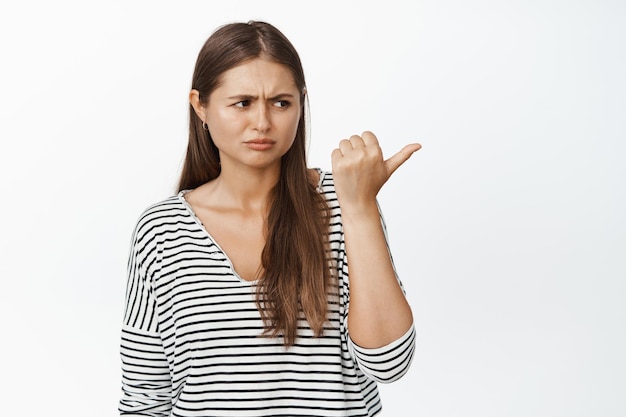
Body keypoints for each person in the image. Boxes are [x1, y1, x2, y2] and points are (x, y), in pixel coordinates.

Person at [119, 20, 421, 417]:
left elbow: (388, 363)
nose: (262, 122)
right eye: (242, 102)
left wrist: (360, 208)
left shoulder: (344, 201)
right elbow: (145, 399)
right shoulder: (161, 231)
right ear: (201, 106)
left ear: (301, 104)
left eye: (281, 102)